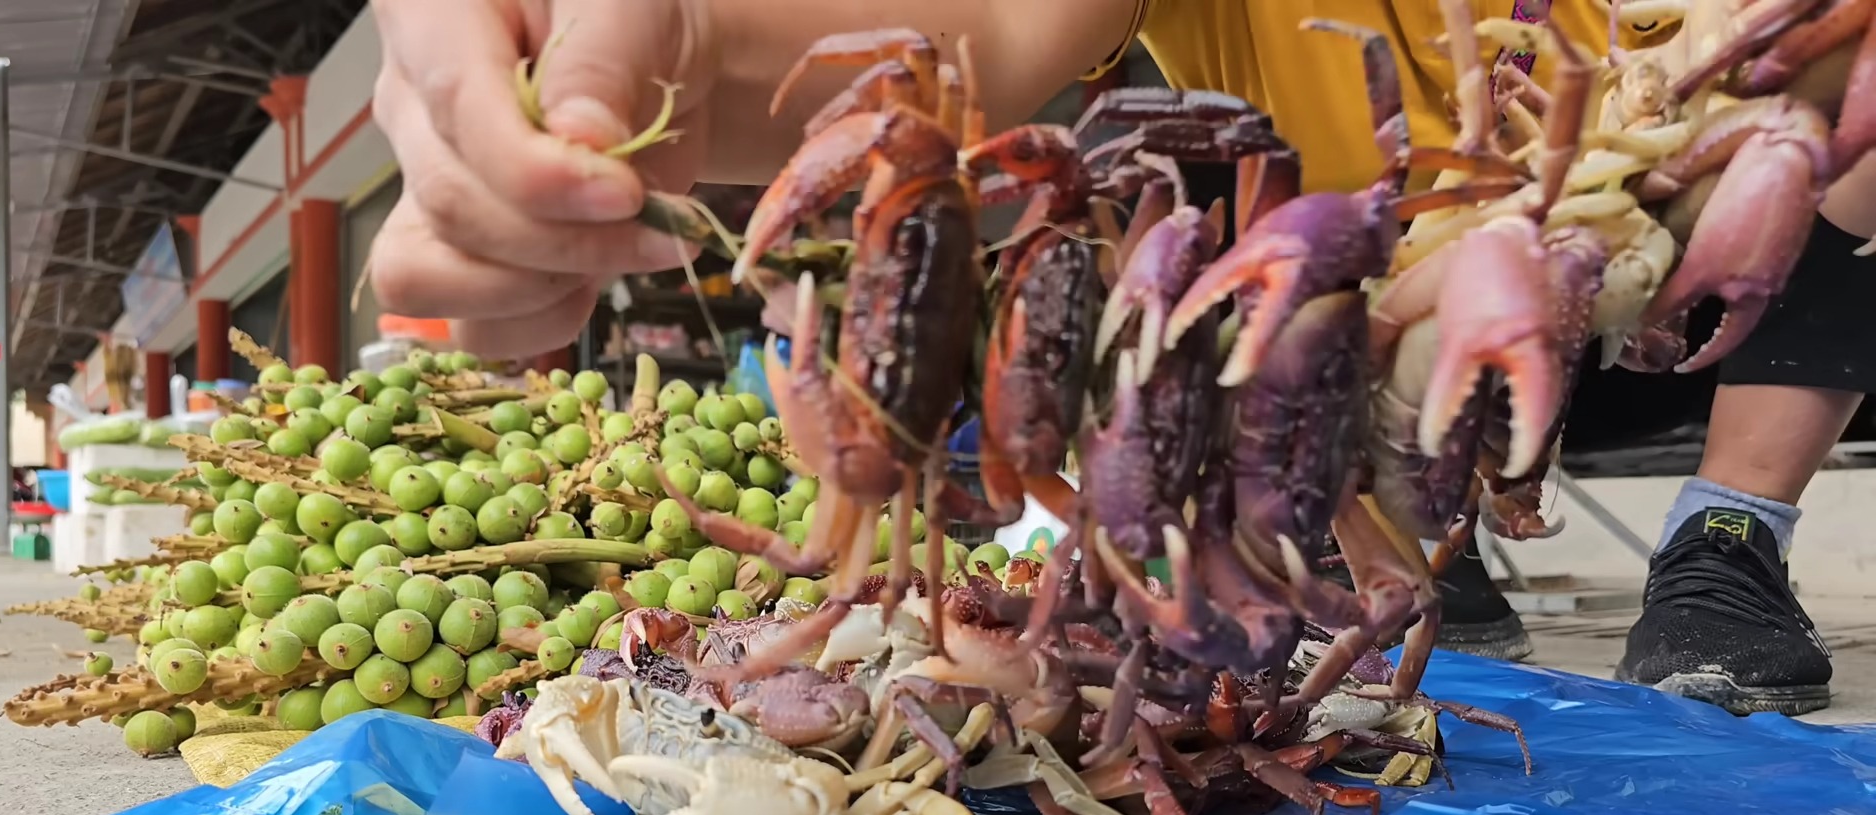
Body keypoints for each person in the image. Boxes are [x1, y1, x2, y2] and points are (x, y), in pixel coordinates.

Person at [368, 0, 1868, 716]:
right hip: (1377, 337)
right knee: (1158, 171)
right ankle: (1377, 519)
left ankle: (1728, 534)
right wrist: (673, 51)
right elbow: (969, 36)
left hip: (1715, 281)